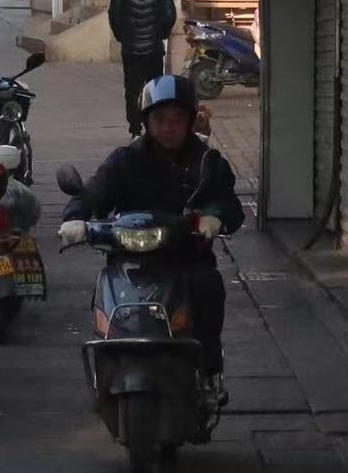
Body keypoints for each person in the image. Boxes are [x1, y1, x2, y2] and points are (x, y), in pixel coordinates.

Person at [58, 74, 244, 403]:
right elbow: (95, 191)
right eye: (160, 119)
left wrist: (216, 217)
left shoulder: (207, 163)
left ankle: (209, 371)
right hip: (130, 258)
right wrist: (75, 219)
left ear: (190, 121)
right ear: (146, 122)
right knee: (107, 289)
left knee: (207, 286)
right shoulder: (125, 160)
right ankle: (108, 363)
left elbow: (229, 204)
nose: (169, 127)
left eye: (177, 119)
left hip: (186, 258)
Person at [106, 0, 176, 136]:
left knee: (133, 90)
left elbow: (114, 16)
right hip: (154, 49)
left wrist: (122, 37)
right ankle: (153, 128)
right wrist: (161, 34)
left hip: (131, 50)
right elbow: (170, 16)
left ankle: (135, 129)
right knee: (155, 89)